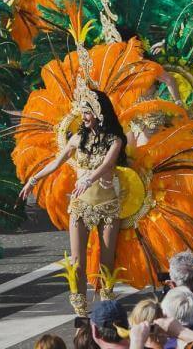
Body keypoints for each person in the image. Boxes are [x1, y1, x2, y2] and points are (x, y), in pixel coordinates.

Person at [19, 88, 126, 314]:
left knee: (106, 263)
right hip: (80, 207)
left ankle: (106, 309)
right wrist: (34, 178)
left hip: (107, 207)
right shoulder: (77, 139)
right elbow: (56, 163)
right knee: (77, 263)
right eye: (82, 111)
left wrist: (88, 179)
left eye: (88, 112)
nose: (84, 116)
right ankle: (80, 311)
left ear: (100, 112)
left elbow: (107, 165)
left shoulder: (115, 140)